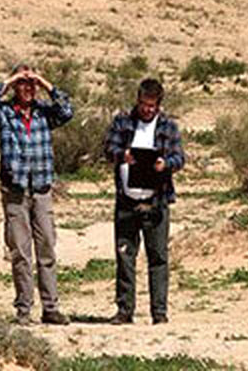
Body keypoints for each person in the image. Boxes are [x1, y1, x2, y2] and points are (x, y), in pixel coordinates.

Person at [0, 63, 74, 326]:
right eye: (24, 84)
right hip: (16, 190)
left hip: (42, 188)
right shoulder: (6, 113)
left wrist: (45, 82)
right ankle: (24, 308)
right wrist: (9, 81)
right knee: (20, 252)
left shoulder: (45, 113)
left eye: (31, 85)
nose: (28, 89)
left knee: (47, 249)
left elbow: (67, 110)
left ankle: (51, 307)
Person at [102, 77, 185, 325]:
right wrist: (122, 155)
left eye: (151, 106)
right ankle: (124, 309)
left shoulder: (168, 127)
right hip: (127, 200)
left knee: (157, 257)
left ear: (158, 104)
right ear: (137, 101)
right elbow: (107, 148)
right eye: (143, 104)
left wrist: (165, 164)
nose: (147, 110)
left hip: (156, 200)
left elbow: (180, 158)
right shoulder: (123, 122)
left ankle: (159, 312)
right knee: (125, 254)